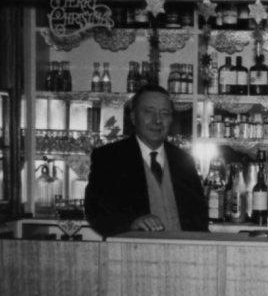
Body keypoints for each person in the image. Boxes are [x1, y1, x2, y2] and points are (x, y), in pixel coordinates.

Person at [84, 84, 208, 238]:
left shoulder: (184, 160)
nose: (157, 120)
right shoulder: (109, 157)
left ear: (171, 119)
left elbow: (200, 216)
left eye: (164, 113)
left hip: (181, 254)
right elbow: (96, 211)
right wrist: (132, 222)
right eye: (149, 112)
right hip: (131, 254)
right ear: (133, 117)